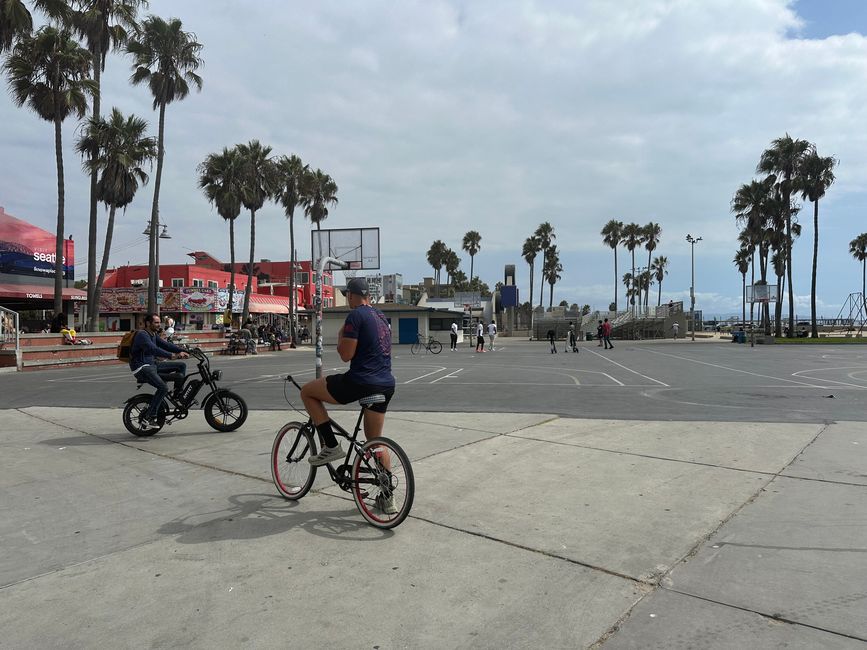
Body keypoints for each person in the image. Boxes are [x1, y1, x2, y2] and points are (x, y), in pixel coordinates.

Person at [299, 278, 396, 510]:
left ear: (352, 295)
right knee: (375, 443)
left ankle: (331, 445)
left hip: (360, 381)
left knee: (308, 392)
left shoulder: (355, 316)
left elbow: (345, 355)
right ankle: (387, 498)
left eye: (346, 295)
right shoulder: (381, 316)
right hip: (386, 383)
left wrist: (342, 333)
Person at [129, 313, 189, 428]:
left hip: (152, 365)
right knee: (163, 387)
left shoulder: (153, 334)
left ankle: (177, 396)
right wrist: (172, 355)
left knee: (181, 366)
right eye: (156, 322)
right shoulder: (142, 335)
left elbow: (165, 345)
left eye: (159, 322)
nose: (158, 325)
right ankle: (149, 417)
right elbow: (153, 349)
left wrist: (183, 350)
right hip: (142, 368)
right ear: (148, 323)